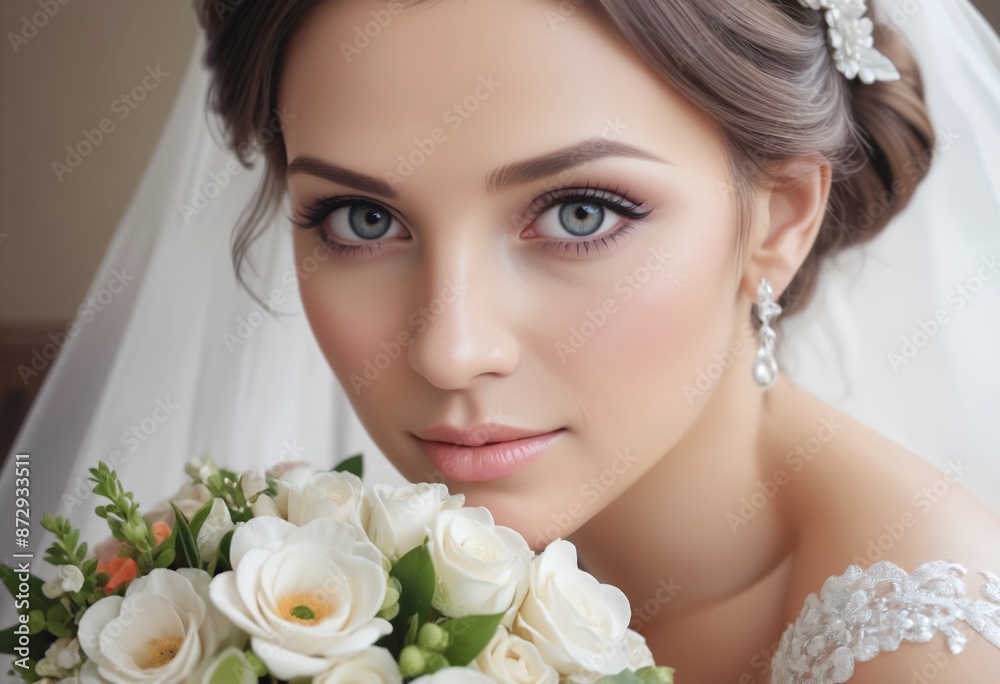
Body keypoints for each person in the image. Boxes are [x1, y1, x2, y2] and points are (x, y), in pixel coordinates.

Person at [2, 0, 998, 681]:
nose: (447, 351)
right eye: (359, 219)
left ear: (777, 219)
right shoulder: (294, 574)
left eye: (576, 214)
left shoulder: (928, 648)